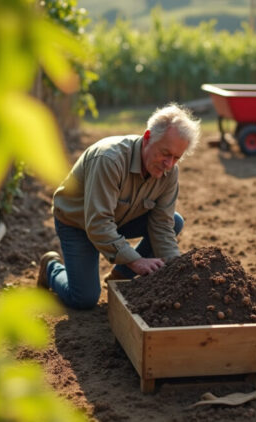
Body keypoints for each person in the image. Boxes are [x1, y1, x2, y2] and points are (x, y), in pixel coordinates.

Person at [37, 103, 201, 310]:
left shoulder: (170, 172)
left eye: (176, 158)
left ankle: (120, 275)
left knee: (175, 221)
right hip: (79, 223)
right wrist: (137, 261)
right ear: (148, 137)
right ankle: (50, 268)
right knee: (83, 299)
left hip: (119, 219)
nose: (169, 164)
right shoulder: (109, 159)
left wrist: (176, 272)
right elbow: (97, 223)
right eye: (165, 153)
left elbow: (162, 225)